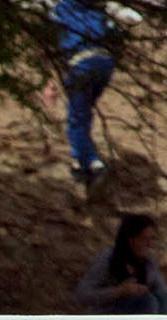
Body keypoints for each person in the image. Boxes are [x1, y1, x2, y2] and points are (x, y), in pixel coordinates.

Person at [50, 0, 123, 186]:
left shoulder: (61, 8)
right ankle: (88, 158)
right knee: (84, 112)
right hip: (105, 64)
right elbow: (118, 34)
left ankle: (84, 163)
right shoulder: (98, 11)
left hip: (82, 64)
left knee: (77, 115)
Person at [75, 212, 167, 313]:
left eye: (152, 239)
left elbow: (162, 290)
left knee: (163, 298)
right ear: (131, 240)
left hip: (137, 310)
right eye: (144, 239)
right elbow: (83, 295)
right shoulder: (109, 259)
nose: (150, 245)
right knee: (148, 302)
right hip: (108, 313)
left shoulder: (149, 263)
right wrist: (118, 292)